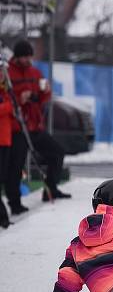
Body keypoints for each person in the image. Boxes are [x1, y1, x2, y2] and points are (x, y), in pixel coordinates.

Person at [5, 39, 70, 214]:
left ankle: (51, 189)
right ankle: (15, 203)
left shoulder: (35, 72)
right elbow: (6, 99)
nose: (28, 59)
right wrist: (21, 98)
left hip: (34, 125)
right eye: (24, 57)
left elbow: (44, 98)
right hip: (17, 128)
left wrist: (45, 91)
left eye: (29, 56)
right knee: (16, 166)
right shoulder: (8, 74)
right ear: (17, 57)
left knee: (57, 152)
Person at [0, 77, 13, 228]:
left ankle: (3, 216)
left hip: (5, 140)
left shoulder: (6, 91)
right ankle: (3, 216)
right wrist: (8, 106)